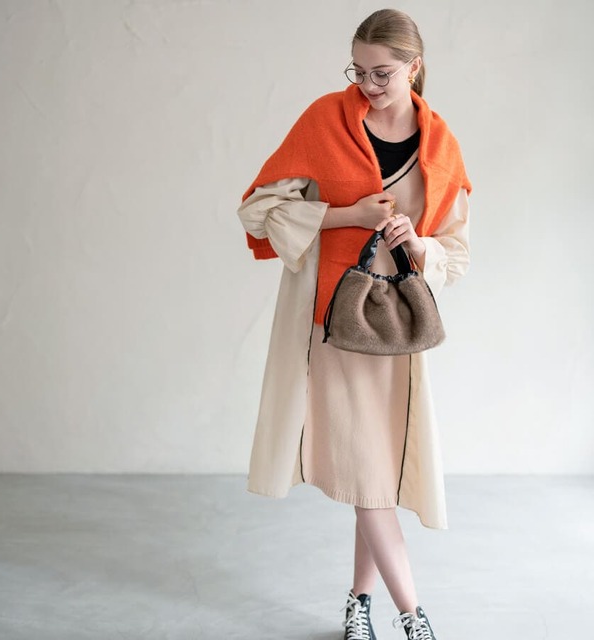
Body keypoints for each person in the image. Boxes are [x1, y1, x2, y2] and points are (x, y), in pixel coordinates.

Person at [237, 8, 471, 640]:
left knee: (377, 476)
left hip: (395, 328)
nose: (368, 84)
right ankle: (414, 617)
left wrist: (417, 244)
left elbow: (456, 250)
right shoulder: (324, 119)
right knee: (371, 476)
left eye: (382, 73)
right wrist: (349, 215)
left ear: (413, 67)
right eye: (358, 71)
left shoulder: (440, 144)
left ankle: (358, 603)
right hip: (332, 322)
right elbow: (258, 210)